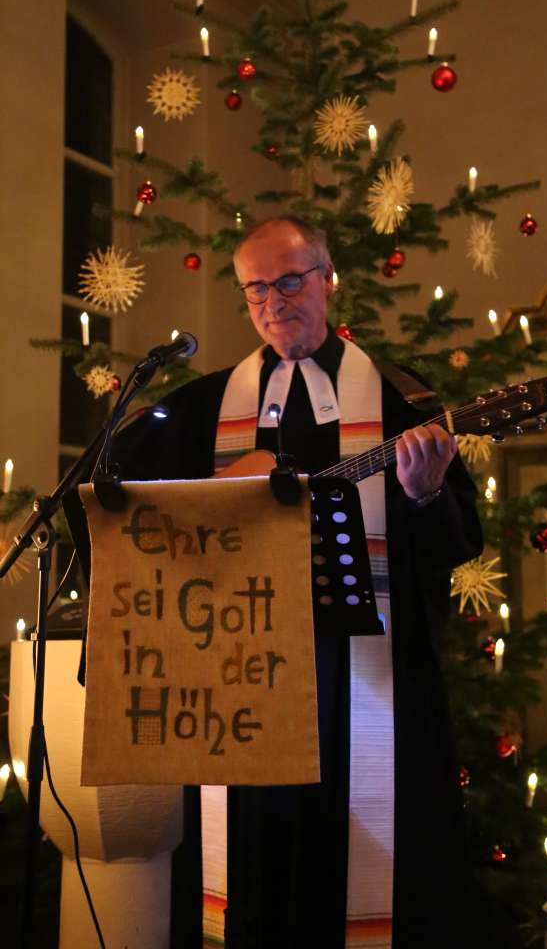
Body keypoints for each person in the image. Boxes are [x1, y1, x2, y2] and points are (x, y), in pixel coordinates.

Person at [87, 216, 484, 948]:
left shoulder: (399, 400)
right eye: (256, 289)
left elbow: (455, 544)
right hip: (241, 684)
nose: (274, 302)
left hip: (363, 681)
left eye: (291, 281)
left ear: (328, 281)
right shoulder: (204, 407)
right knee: (249, 879)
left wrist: (426, 495)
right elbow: (123, 504)